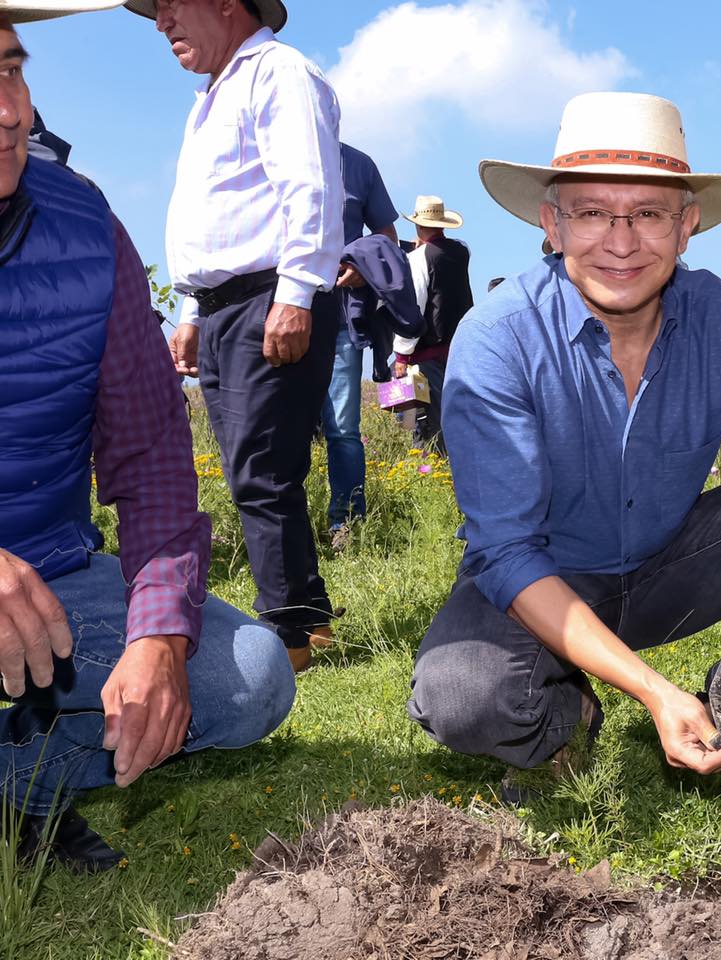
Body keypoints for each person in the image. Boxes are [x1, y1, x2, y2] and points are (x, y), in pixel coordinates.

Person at [408, 92, 721, 802]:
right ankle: (567, 717)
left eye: (649, 214)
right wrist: (653, 692)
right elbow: (506, 554)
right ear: (550, 222)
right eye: (591, 213)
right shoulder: (498, 338)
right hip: (541, 582)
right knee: (461, 693)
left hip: (673, 567)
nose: (621, 243)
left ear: (688, 225)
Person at [0, 0, 293, 874]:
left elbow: (155, 458)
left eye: (12, 71)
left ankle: (22, 781)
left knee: (246, 675)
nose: (10, 110)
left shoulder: (86, 228)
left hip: (50, 579)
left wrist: (158, 637)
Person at [129, 0, 344, 672]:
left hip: (268, 297)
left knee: (262, 468)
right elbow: (215, 214)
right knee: (251, 469)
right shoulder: (212, 96)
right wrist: (192, 312)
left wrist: (296, 293)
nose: (161, 22)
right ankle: (305, 616)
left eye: (170, 5)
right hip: (228, 307)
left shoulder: (278, 72)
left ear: (225, 3)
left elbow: (308, 187)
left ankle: (290, 631)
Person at [326, 142, 400, 544]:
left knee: (342, 429)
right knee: (280, 428)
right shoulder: (265, 150)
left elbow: (386, 236)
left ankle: (346, 525)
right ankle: (285, 529)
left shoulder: (358, 165)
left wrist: (361, 265)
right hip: (270, 314)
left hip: (339, 318)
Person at [395, 195, 473, 456]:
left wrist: (401, 354)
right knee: (454, 415)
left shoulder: (418, 258)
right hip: (459, 347)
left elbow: (414, 305)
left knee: (423, 420)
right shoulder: (461, 251)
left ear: (417, 225)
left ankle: (428, 470)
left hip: (426, 351)